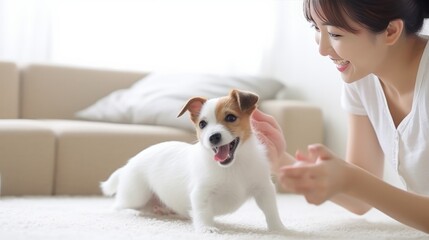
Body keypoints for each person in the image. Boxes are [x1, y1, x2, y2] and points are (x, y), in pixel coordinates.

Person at [251, 0, 429, 234]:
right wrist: (279, 160)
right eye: (316, 28)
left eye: (335, 33)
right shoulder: (361, 76)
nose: (322, 49)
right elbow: (360, 200)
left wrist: (351, 179)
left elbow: (357, 182)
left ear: (390, 31)